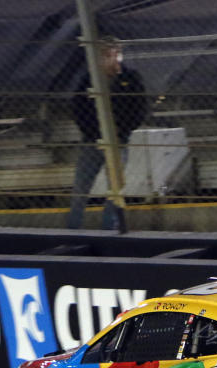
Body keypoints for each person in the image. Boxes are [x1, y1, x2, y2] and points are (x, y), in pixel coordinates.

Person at [68, 36, 147, 230]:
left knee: (115, 187)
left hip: (118, 139)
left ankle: (109, 225)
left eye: (113, 53)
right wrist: (92, 132)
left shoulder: (130, 78)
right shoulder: (89, 79)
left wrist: (121, 131)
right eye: (104, 54)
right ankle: (73, 226)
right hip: (92, 140)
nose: (109, 58)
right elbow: (78, 109)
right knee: (81, 186)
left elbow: (139, 108)